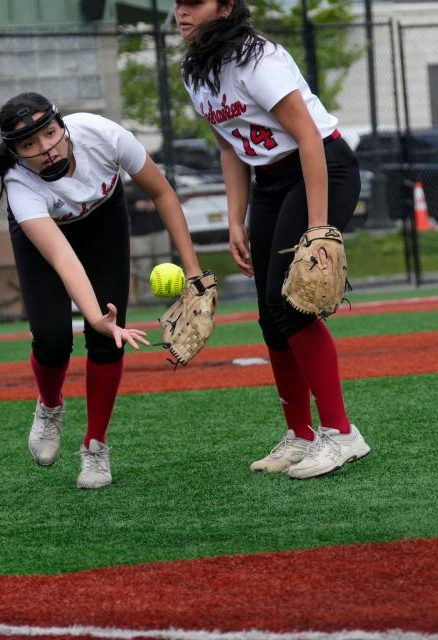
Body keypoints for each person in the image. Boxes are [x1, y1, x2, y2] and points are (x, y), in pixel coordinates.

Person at [0, 93, 205, 489]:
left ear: (63, 126)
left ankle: (96, 446)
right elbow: (65, 260)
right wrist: (96, 318)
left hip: (103, 219)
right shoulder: (20, 184)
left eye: (50, 133)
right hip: (47, 236)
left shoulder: (104, 135)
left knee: (107, 344)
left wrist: (193, 273)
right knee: (52, 339)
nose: (46, 149)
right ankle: (50, 406)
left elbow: (163, 193)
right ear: (14, 152)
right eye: (29, 144)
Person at [175, 0, 370, 479]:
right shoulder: (196, 71)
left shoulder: (255, 58)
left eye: (194, 2)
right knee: (269, 314)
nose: (181, 11)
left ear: (226, 7)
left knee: (292, 305)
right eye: (176, 3)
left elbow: (307, 136)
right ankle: (300, 436)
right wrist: (235, 219)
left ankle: (342, 434)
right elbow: (229, 145)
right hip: (270, 181)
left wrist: (319, 229)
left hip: (322, 166)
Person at [125, 177, 173, 302]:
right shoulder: (128, 187)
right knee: (143, 265)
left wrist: (156, 203)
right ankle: (145, 299)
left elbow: (170, 198)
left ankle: (168, 293)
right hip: (139, 234)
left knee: (164, 262)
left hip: (159, 230)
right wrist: (137, 206)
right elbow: (123, 208)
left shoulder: (158, 179)